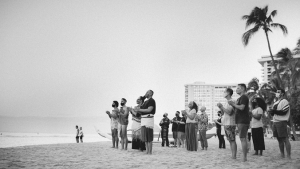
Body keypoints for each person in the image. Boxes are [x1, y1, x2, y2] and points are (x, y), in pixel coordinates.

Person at [228, 84, 250, 162]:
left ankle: (244, 157)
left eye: (238, 88)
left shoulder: (244, 97)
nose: (236, 89)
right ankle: (244, 157)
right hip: (240, 120)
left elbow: (242, 107)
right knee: (242, 138)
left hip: (243, 120)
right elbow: (237, 109)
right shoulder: (239, 98)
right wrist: (233, 105)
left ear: (243, 89)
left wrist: (233, 104)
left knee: (243, 138)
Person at [269, 88, 291, 159]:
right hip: (275, 122)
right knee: (279, 139)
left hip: (281, 121)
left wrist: (274, 111)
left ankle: (288, 155)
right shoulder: (276, 102)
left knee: (285, 138)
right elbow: (273, 114)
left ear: (283, 93)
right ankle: (282, 154)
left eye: (278, 92)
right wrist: (271, 111)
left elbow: (284, 111)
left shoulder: (284, 101)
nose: (277, 93)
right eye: (277, 92)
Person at [217, 88, 237, 159]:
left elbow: (229, 112)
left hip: (230, 123)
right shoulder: (226, 102)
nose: (223, 93)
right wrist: (220, 107)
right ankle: (233, 155)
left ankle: (234, 155)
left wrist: (222, 107)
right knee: (230, 140)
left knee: (232, 140)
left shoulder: (232, 101)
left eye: (224, 92)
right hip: (226, 123)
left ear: (228, 93)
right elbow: (223, 113)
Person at [135, 90, 156, 155]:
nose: (145, 93)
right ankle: (147, 151)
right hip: (144, 120)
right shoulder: (145, 101)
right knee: (145, 138)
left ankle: (150, 152)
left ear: (150, 94)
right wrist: (137, 109)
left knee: (149, 138)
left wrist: (139, 109)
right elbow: (140, 112)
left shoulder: (151, 100)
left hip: (148, 120)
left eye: (147, 92)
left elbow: (149, 110)